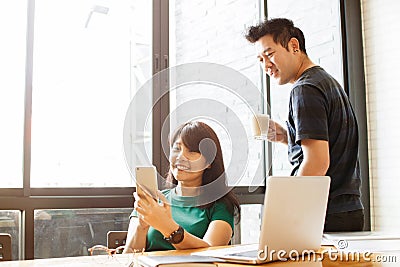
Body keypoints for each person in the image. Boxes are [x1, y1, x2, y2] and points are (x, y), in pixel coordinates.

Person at [245, 18, 364, 232]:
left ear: (293, 46)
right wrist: (286, 136)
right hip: (347, 211)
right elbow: (331, 145)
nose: (266, 65)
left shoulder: (305, 89)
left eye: (269, 54)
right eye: (260, 60)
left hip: (324, 214)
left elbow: (317, 164)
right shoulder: (326, 81)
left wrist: (289, 212)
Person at [124, 121, 240, 252]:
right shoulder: (154, 200)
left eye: (191, 151)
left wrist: (166, 226)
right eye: (177, 148)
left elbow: (211, 252)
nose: (181, 157)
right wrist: (142, 226)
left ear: (209, 162)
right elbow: (128, 257)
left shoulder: (221, 205)